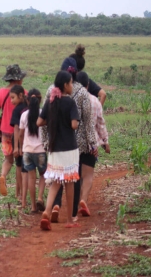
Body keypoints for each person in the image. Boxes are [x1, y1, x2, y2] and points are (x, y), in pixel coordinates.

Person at [42, 58, 97, 223]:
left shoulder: (51, 92)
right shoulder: (81, 93)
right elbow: (87, 121)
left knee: (57, 178)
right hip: (74, 145)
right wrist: (92, 143)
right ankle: (72, 215)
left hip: (55, 143)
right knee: (72, 179)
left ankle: (54, 206)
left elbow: (43, 121)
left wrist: (46, 140)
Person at [37, 71, 80, 230]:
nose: (72, 86)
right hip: (69, 149)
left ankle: (47, 212)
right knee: (69, 183)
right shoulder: (70, 103)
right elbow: (74, 125)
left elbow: (39, 122)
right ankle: (69, 219)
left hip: (54, 149)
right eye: (70, 83)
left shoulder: (50, 102)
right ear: (64, 85)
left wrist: (53, 120)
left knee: (56, 182)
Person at [76, 71, 110, 216]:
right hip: (91, 143)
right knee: (88, 175)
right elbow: (100, 124)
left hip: (74, 143)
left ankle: (75, 202)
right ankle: (83, 200)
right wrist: (105, 142)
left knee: (76, 175)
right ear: (88, 85)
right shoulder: (95, 101)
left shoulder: (72, 100)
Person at [0, 64, 28, 196]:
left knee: (8, 160)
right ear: (18, 79)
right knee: (20, 163)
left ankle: (3, 176)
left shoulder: (1, 92)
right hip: (19, 133)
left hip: (5, 132)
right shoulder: (23, 94)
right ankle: (19, 193)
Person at [17, 89, 46, 213]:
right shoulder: (43, 114)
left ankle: (33, 206)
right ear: (40, 100)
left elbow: (20, 134)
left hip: (27, 151)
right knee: (43, 175)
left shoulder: (24, 115)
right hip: (40, 150)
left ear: (27, 100)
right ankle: (40, 197)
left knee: (31, 179)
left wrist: (21, 146)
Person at [10, 85, 29, 203]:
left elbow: (16, 129)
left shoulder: (17, 110)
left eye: (13, 98)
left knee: (19, 166)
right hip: (28, 141)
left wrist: (16, 146)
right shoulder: (28, 107)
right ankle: (20, 193)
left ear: (20, 96)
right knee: (26, 168)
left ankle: (20, 194)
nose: (11, 101)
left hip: (19, 141)